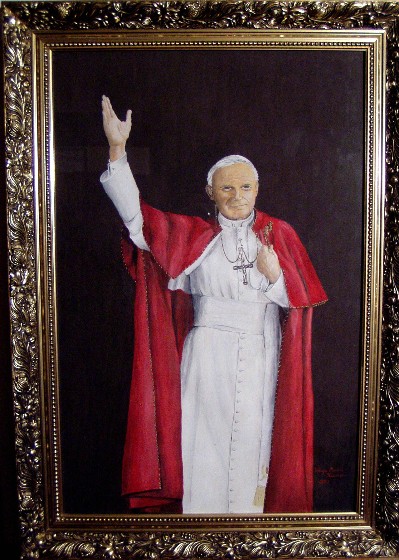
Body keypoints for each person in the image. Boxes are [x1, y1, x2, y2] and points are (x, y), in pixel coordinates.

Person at [100, 95, 327, 514]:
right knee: (203, 444)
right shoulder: (191, 235)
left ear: (257, 189)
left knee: (256, 444)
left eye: (245, 187)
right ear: (211, 192)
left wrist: (275, 276)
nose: (237, 196)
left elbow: (300, 302)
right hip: (207, 356)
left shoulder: (281, 234)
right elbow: (138, 223)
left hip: (261, 354)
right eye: (226, 188)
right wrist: (118, 151)